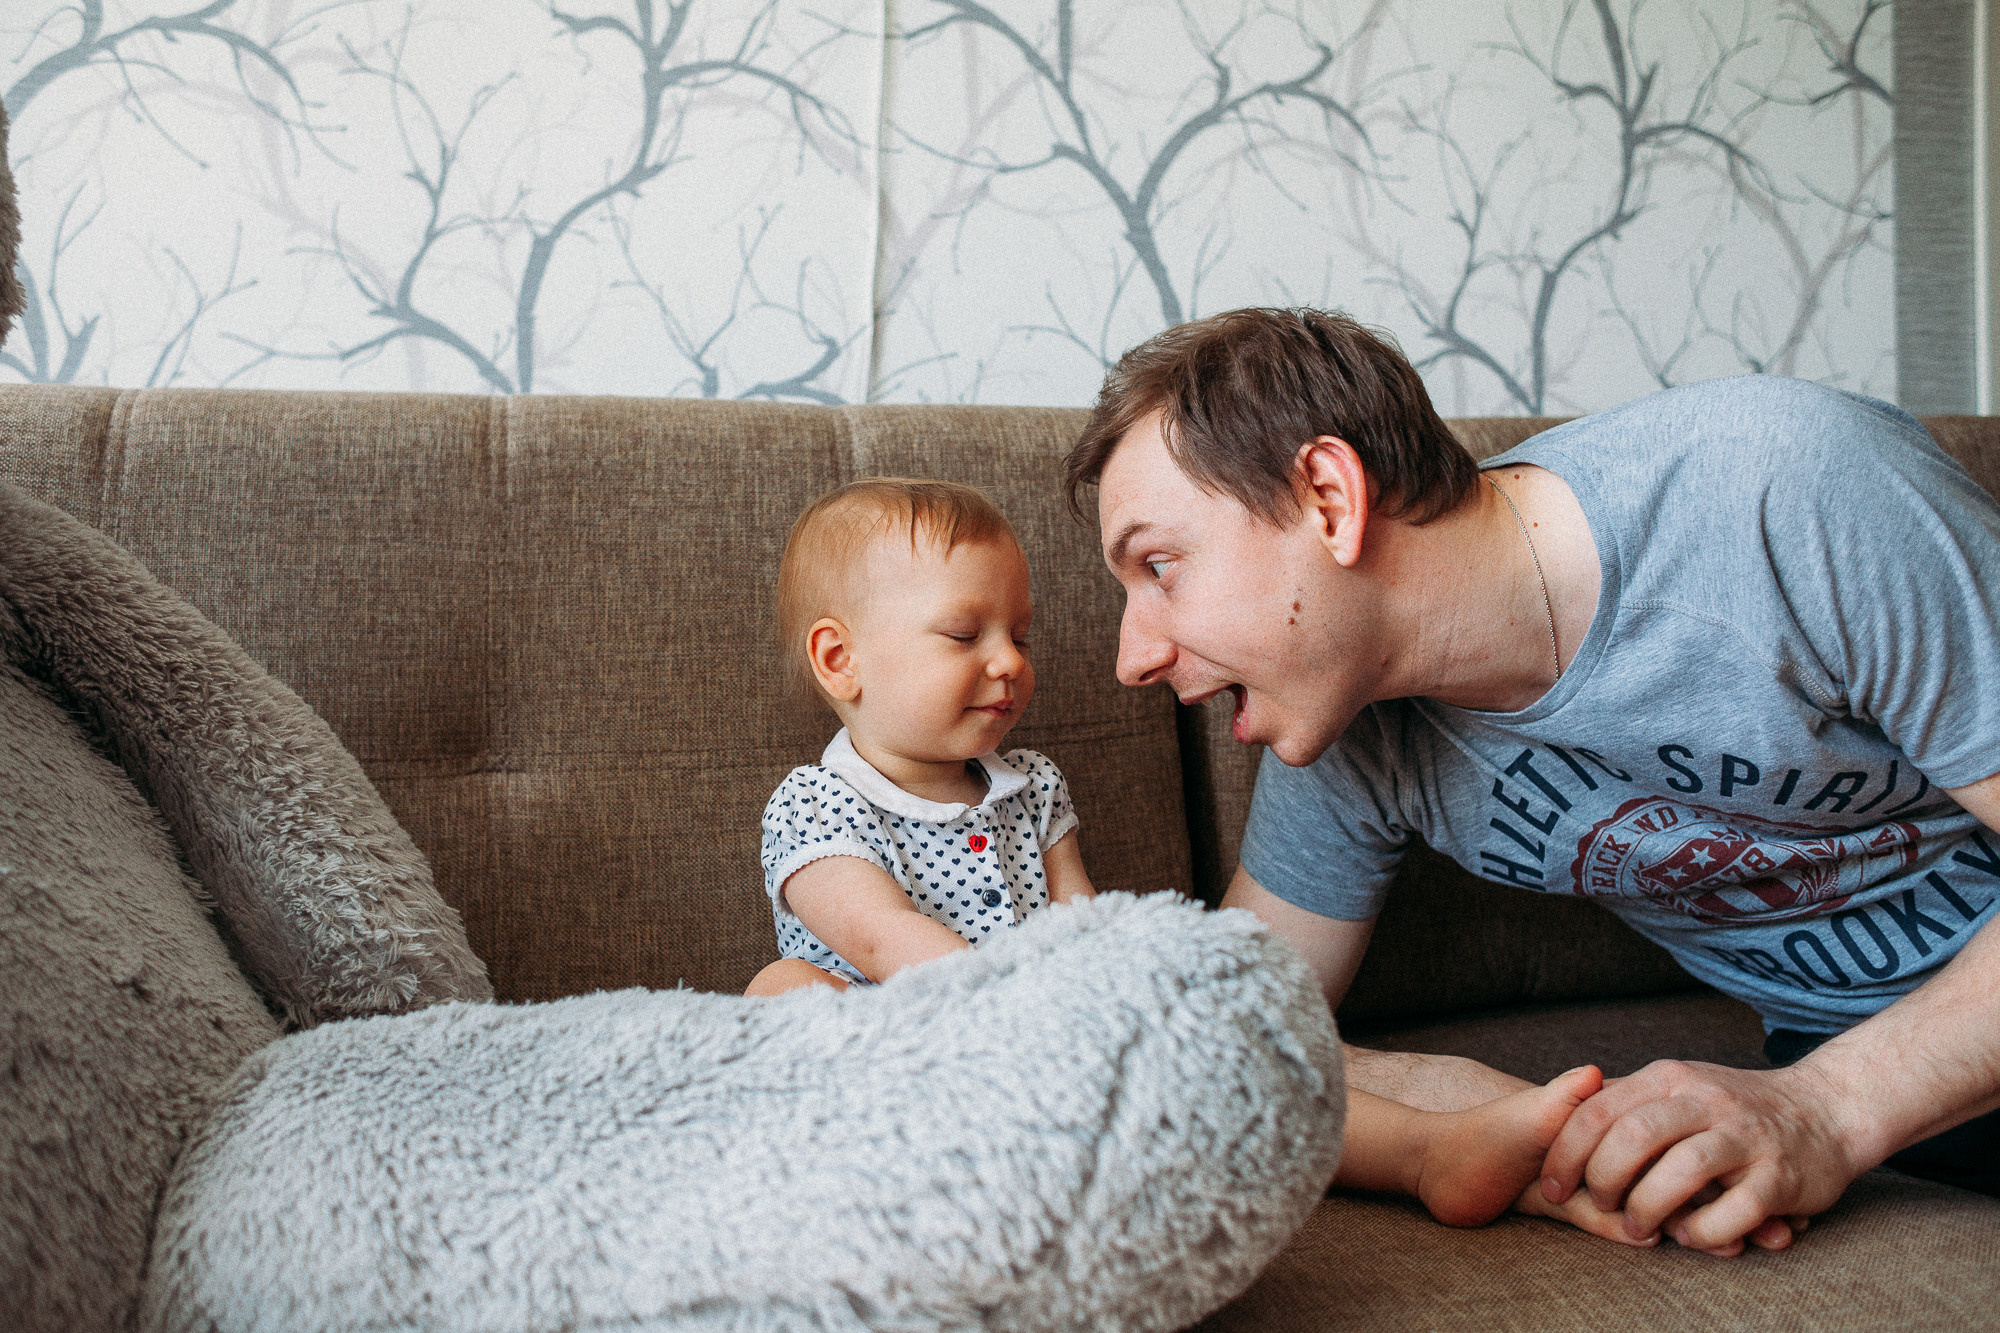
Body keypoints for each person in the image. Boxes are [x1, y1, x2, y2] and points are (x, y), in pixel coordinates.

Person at [1064, 307, 2000, 1258]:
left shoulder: (1790, 489)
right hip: (1891, 1073)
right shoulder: (1347, 722)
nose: (1132, 659)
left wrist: (1829, 1112)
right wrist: (1498, 1135)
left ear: (1329, 499)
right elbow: (1226, 1049)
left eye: (1161, 564)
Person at [743, 476, 1658, 1241]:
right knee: (780, 991)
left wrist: (1130, 997)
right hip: (913, 1059)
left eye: (1020, 636)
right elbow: (882, 940)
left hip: (1053, 1048)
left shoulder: (1033, 784)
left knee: (1230, 1056)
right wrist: (1023, 1008)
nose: (1010, 662)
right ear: (841, 659)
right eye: (964, 635)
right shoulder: (817, 805)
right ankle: (916, 1184)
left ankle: (1426, 1153)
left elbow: (1080, 913)